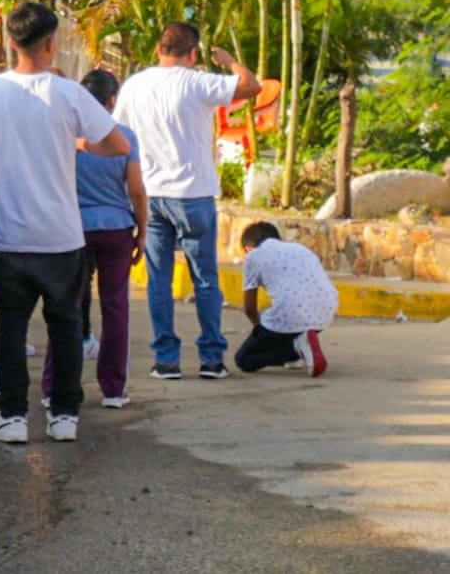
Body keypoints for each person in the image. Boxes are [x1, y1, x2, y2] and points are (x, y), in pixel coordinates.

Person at [0, 1, 130, 445]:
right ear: (52, 44)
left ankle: (13, 416)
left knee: (11, 328)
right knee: (66, 325)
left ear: (10, 42)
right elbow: (116, 145)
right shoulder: (70, 94)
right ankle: (64, 415)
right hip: (62, 235)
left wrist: (5, 144)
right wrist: (74, 143)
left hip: (10, 235)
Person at [113, 22, 259, 381]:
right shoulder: (198, 82)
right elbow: (252, 86)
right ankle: (211, 359)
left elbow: (119, 137)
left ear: (159, 50)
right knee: (205, 278)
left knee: (158, 279)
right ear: (193, 54)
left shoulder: (134, 85)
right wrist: (229, 62)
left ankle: (166, 360)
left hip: (151, 193)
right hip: (193, 194)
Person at [39, 69, 146, 410]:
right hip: (116, 229)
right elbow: (137, 190)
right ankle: (113, 389)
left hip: (73, 229)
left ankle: (53, 386)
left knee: (65, 306)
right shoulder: (125, 137)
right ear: (112, 100)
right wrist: (142, 231)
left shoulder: (67, 137)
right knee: (115, 308)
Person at [235, 222, 336, 377]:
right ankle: (298, 345)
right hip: (325, 312)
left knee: (244, 360)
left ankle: (295, 349)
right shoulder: (300, 249)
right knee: (285, 326)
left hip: (291, 315)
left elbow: (249, 308)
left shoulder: (254, 256)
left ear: (248, 249)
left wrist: (260, 331)